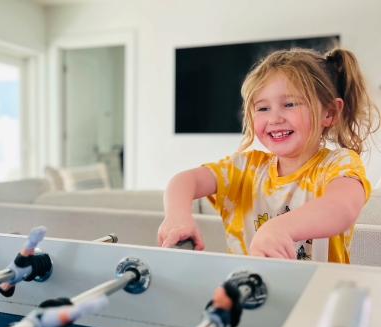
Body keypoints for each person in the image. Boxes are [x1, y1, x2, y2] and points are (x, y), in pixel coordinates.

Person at [158, 48, 380, 263]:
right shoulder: (245, 167)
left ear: (329, 113)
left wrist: (280, 227)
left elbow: (342, 208)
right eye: (263, 108)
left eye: (289, 104)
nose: (274, 118)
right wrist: (178, 218)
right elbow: (184, 181)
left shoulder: (338, 164)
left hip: (318, 294)